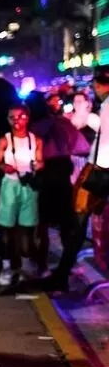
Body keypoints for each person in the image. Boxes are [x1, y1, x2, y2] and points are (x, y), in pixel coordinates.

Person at [47, 66, 109, 291]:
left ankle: (62, 275)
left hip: (99, 173)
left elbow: (105, 146)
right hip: (99, 171)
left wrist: (97, 174)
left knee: (78, 223)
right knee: (79, 226)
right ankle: (62, 273)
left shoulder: (107, 106)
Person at [27, 92, 86, 278]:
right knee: (66, 222)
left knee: (41, 223)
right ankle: (67, 264)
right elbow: (81, 146)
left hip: (41, 175)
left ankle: (42, 265)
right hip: (61, 175)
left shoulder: (29, 128)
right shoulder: (60, 123)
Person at [0, 104, 43, 285]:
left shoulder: (35, 140)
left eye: (20, 117)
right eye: (12, 117)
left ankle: (26, 266)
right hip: (10, 185)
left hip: (28, 186)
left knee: (27, 229)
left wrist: (38, 165)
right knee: (6, 228)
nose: (16, 121)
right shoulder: (4, 140)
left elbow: (40, 160)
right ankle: (6, 268)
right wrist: (3, 166)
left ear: (27, 118)